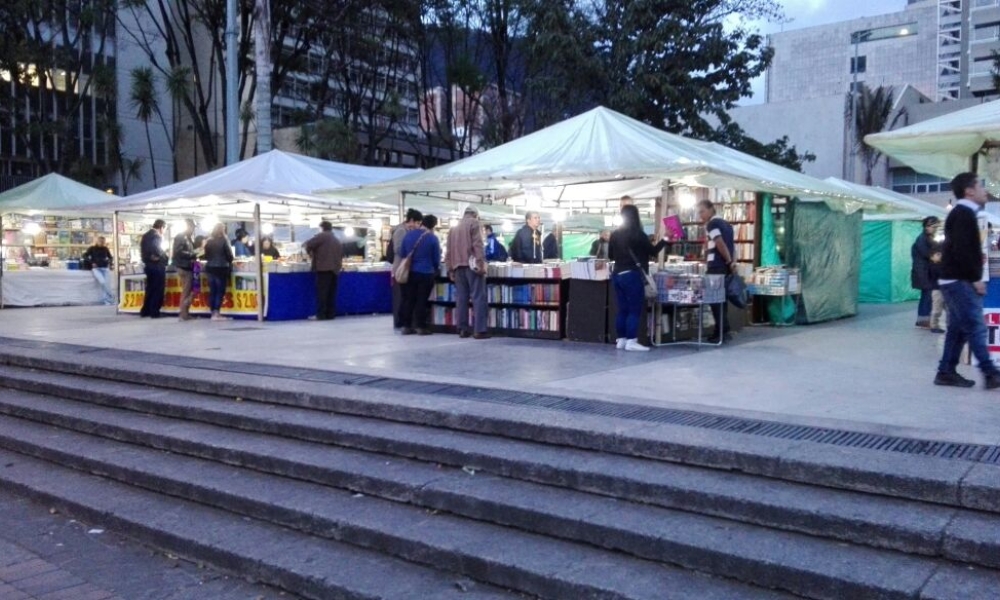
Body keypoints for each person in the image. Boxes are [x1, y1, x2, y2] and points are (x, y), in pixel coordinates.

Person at [934, 172, 1000, 389]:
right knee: (974, 325)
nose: (984, 191)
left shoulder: (963, 213)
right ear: (969, 191)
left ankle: (946, 371)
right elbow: (964, 251)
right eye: (980, 186)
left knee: (959, 328)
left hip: (954, 279)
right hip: (958, 280)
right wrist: (975, 279)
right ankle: (991, 373)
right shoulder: (963, 214)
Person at [609, 205, 668, 352]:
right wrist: (666, 239)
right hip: (632, 275)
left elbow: (610, 255)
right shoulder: (638, 235)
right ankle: (631, 341)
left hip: (617, 275)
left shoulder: (615, 234)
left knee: (622, 310)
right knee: (634, 310)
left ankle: (621, 340)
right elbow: (653, 252)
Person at [698, 199, 736, 343]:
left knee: (715, 301)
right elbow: (732, 246)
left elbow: (719, 243)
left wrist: (728, 261)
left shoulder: (712, 224)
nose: (700, 215)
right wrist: (732, 263)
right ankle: (724, 331)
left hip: (716, 267)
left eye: (702, 211)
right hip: (725, 267)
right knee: (722, 300)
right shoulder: (727, 225)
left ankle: (720, 332)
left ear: (711, 209)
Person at [447, 207, 489, 339]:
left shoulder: (454, 227)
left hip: (457, 267)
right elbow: (478, 245)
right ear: (475, 215)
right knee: (478, 297)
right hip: (472, 266)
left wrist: (450, 269)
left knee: (461, 298)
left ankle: (463, 329)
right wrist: (481, 263)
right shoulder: (474, 223)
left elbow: (448, 251)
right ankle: (479, 330)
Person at [399, 215, 441, 335]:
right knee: (421, 300)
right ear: (433, 226)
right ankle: (420, 327)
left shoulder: (408, 235)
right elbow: (436, 259)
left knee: (409, 299)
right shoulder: (433, 238)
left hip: (411, 272)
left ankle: (406, 326)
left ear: (422, 222)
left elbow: (403, 253)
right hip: (426, 273)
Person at [304, 221, 344, 321]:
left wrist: (310, 253)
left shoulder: (322, 236)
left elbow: (308, 244)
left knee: (322, 293)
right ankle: (330, 314)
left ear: (322, 228)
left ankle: (320, 315)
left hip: (323, 268)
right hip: (335, 269)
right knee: (331, 293)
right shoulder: (336, 239)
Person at [391, 208, 423, 330]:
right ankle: (401, 321)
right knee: (404, 296)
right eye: (417, 223)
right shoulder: (401, 231)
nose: (418, 226)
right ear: (411, 220)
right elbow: (398, 249)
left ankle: (404, 321)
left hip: (407, 267)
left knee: (407, 296)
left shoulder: (407, 231)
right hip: (401, 268)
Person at [911, 216, 941, 329]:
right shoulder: (922, 239)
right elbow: (928, 255)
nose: (935, 229)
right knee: (927, 295)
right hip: (923, 272)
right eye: (934, 227)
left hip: (926, 272)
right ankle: (923, 319)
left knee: (928, 295)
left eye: (936, 227)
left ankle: (924, 319)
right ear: (927, 226)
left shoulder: (928, 238)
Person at [203, 223, 234, 321]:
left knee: (213, 290)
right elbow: (229, 255)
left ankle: (212, 312)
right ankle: (216, 313)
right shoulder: (224, 240)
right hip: (221, 267)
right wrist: (230, 260)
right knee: (220, 291)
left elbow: (205, 255)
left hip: (210, 267)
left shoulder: (209, 240)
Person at [139, 219, 168, 318]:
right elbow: (157, 248)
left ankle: (145, 310)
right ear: (161, 227)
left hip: (148, 265)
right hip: (157, 265)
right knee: (158, 288)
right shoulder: (157, 236)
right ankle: (154, 311)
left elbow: (143, 251)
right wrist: (164, 257)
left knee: (150, 288)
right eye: (164, 229)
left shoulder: (145, 235)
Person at [172, 219, 198, 321]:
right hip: (184, 267)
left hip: (186, 266)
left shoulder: (187, 238)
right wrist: (192, 254)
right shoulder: (181, 237)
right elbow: (178, 251)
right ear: (188, 226)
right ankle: (183, 314)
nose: (193, 230)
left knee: (188, 290)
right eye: (192, 227)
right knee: (186, 291)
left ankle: (185, 312)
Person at [83, 236, 114, 305]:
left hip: (105, 268)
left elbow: (111, 257)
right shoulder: (92, 248)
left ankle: (107, 300)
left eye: (103, 242)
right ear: (97, 241)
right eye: (101, 241)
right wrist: (92, 262)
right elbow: (84, 256)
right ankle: (111, 296)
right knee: (102, 282)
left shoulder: (106, 249)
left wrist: (109, 263)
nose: (102, 243)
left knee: (106, 284)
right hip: (96, 268)